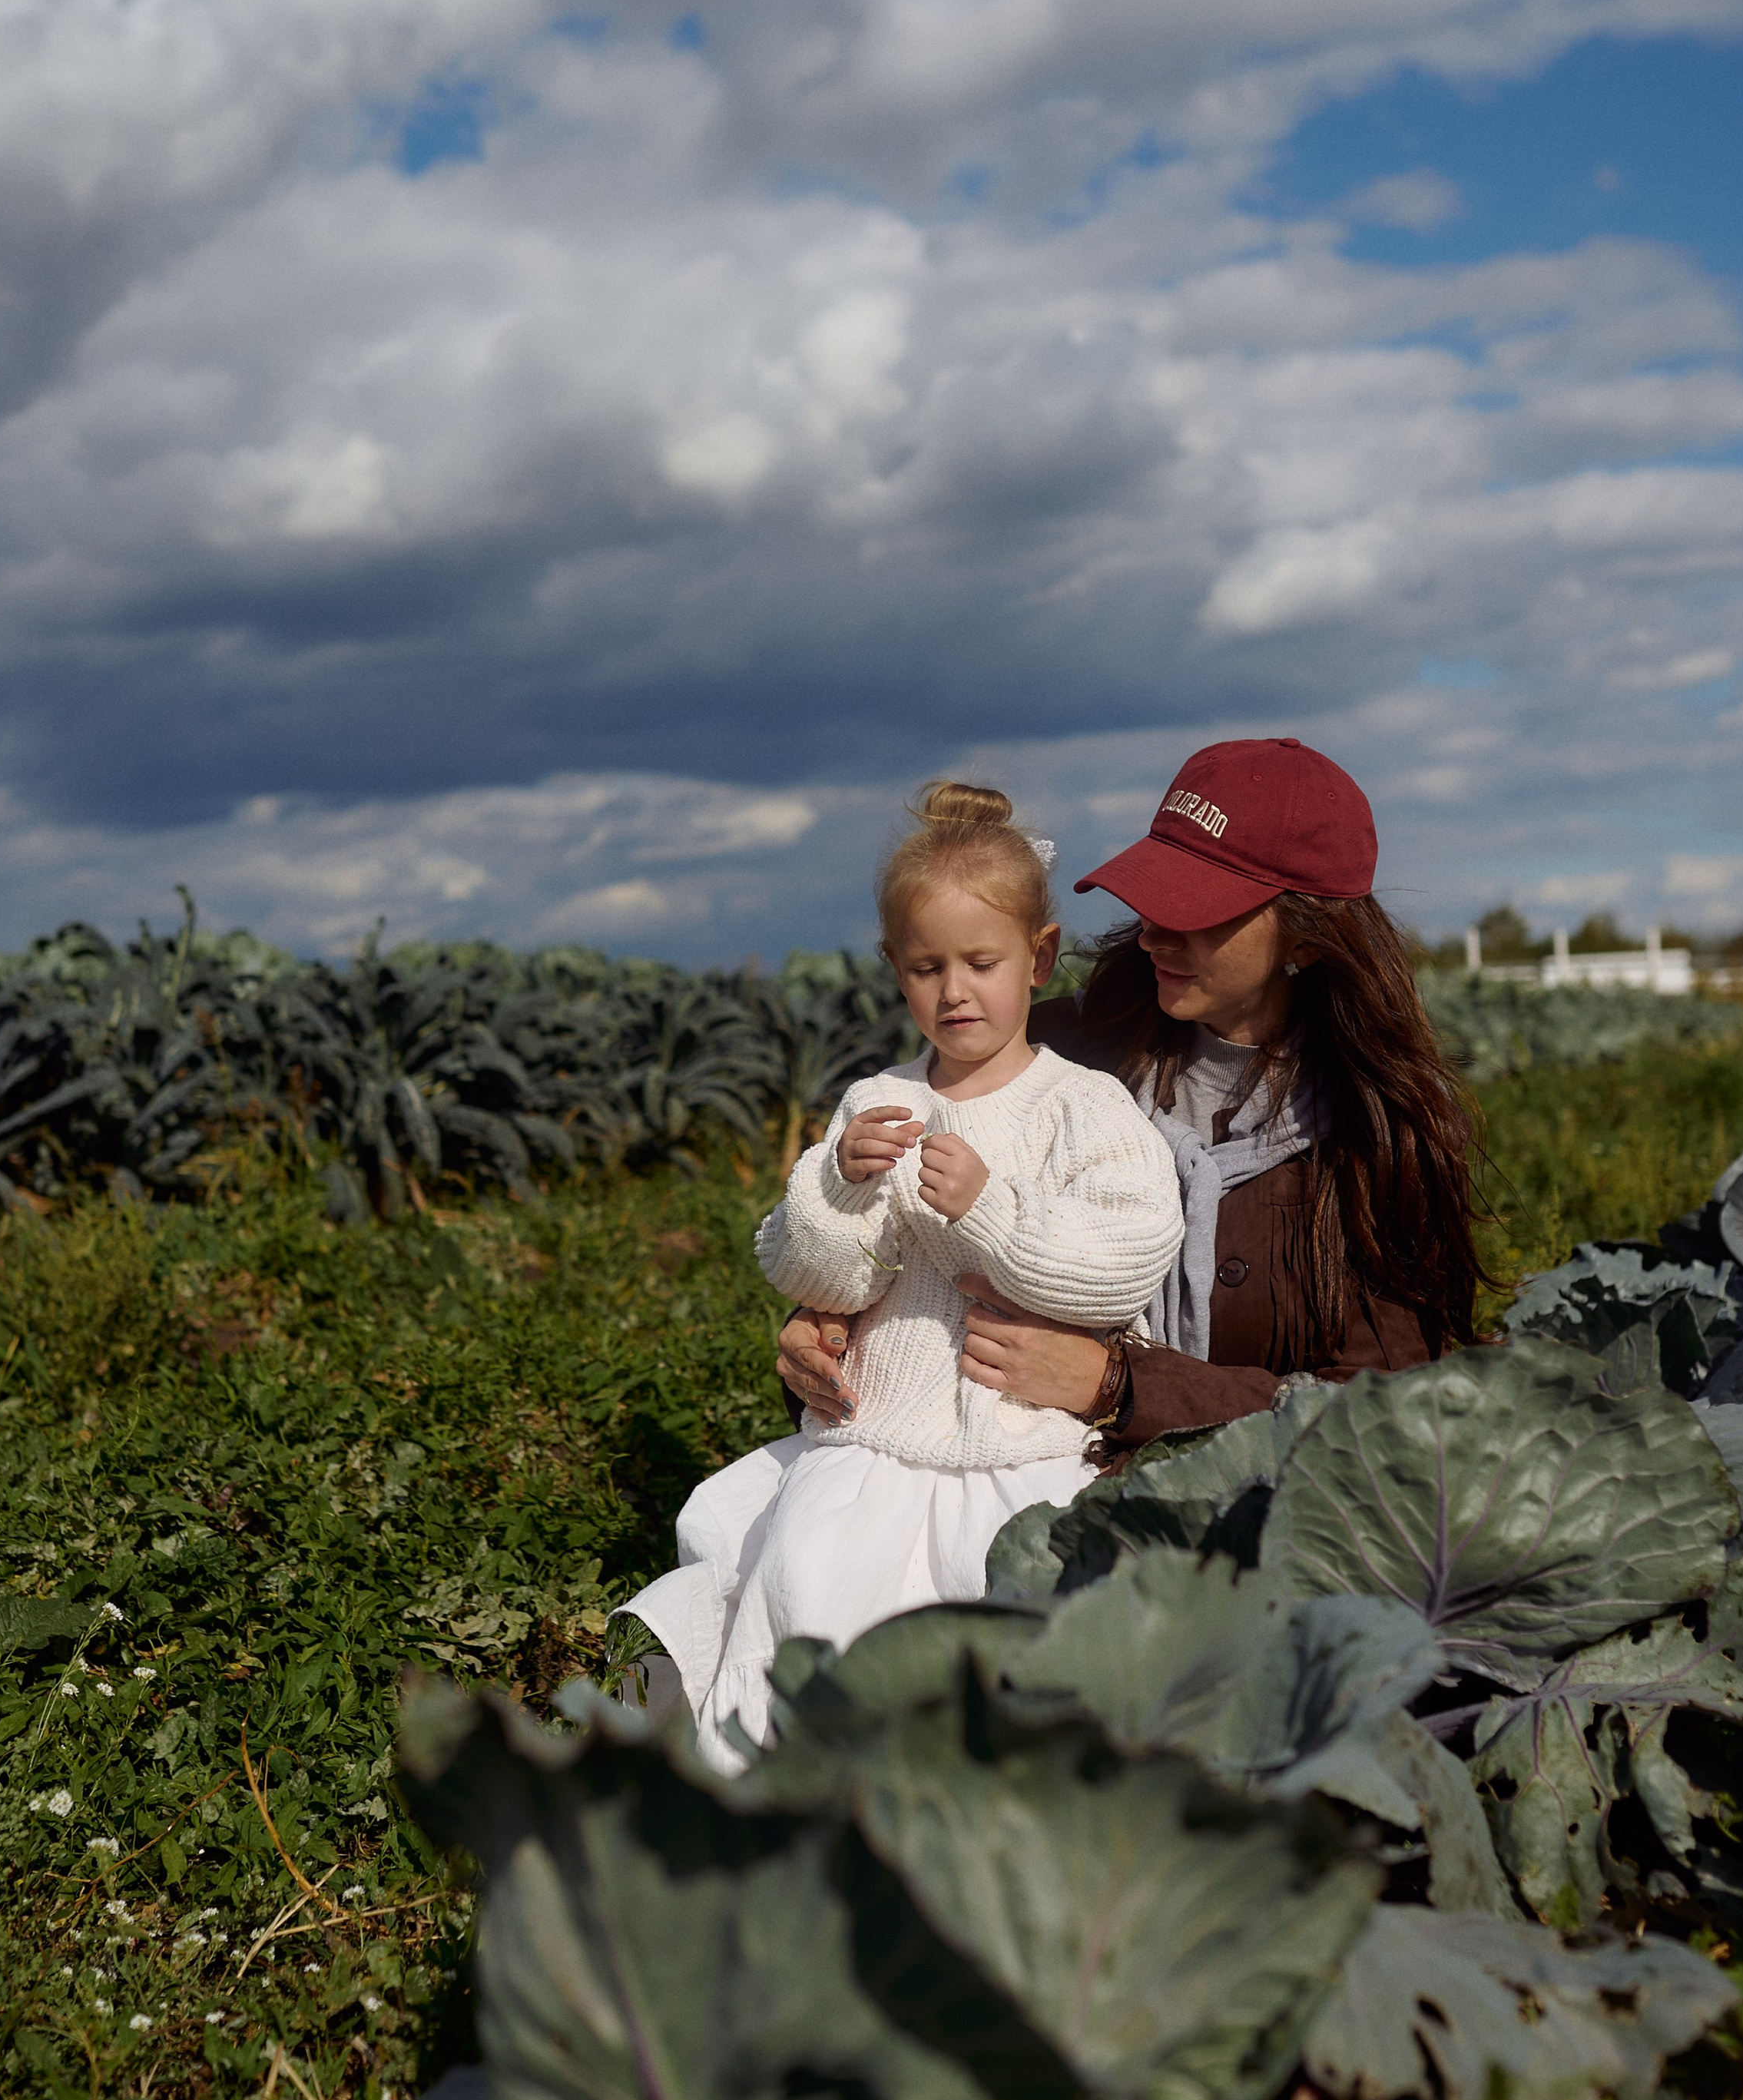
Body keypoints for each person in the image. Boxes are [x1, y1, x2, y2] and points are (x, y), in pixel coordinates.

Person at [619, 782, 1184, 1770]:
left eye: (982, 962)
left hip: (1024, 1448)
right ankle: (785, 1816)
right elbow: (814, 1275)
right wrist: (838, 1187)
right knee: (811, 1597)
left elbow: (1120, 1267)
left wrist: (988, 1212)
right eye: (926, 968)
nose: (954, 991)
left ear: (1040, 957)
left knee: (1004, 1639)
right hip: (872, 1440)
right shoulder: (876, 1104)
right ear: (894, 970)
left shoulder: (1080, 1106)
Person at [778, 737, 1483, 1455]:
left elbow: (1386, 1413)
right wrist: (827, 1330)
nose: (1153, 934)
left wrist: (1121, 1386)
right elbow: (903, 1254)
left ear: (1307, 939)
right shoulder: (1044, 1057)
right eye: (1153, 897)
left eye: (1196, 911)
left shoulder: (1379, 1141)